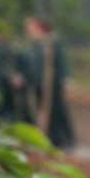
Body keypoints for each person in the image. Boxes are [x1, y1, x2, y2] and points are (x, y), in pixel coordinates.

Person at [19, 17, 73, 148]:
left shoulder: (52, 43)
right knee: (39, 111)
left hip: (52, 84)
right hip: (38, 85)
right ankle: (49, 137)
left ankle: (64, 138)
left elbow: (61, 63)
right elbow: (31, 66)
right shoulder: (34, 46)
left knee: (57, 111)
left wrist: (65, 79)